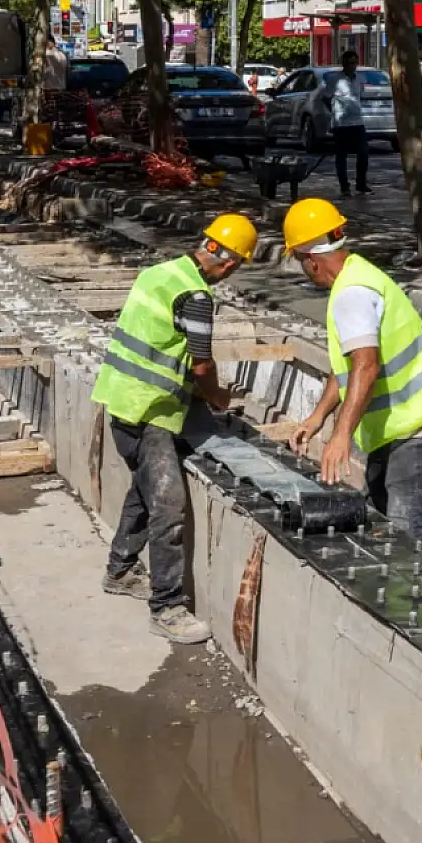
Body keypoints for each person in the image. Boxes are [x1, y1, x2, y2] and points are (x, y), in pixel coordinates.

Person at [92, 214, 258, 644]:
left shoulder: (159, 273)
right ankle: (166, 606)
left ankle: (121, 570)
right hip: (151, 411)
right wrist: (217, 397)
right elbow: (201, 363)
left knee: (144, 489)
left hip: (121, 400)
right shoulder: (197, 296)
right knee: (168, 505)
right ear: (231, 262)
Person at [285, 199, 422, 543]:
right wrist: (318, 417)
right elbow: (349, 366)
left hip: (413, 424)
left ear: (312, 261)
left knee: (405, 529)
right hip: (396, 423)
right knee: (377, 515)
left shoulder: (351, 294)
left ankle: (411, 593)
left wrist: (341, 435)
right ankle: (394, 589)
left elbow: (366, 365)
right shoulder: (358, 273)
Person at [326, 50, 372, 196]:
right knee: (341, 156)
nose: (351, 66)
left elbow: (361, 96)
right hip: (341, 124)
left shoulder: (360, 79)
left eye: (354, 63)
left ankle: (361, 183)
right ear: (343, 64)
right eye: (348, 63)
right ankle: (344, 187)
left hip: (357, 121)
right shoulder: (335, 79)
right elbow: (325, 97)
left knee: (363, 153)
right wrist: (334, 112)